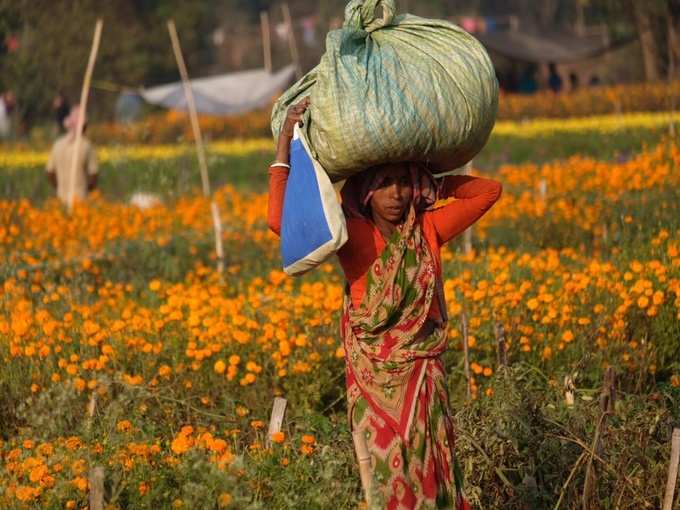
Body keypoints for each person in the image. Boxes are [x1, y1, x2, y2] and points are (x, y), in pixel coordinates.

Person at [268, 98, 502, 509]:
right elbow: (280, 221)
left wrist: (436, 183)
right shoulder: (351, 237)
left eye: (404, 182)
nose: (396, 194)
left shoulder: (428, 229)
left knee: (434, 477)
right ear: (366, 191)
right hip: (372, 382)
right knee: (384, 480)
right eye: (386, 183)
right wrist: (285, 143)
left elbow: (488, 193)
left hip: (423, 380)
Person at [46, 104, 98, 205]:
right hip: (81, 202)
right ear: (85, 125)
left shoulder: (57, 145)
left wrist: (59, 187)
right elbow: (94, 175)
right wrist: (87, 189)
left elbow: (49, 172)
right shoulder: (87, 146)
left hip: (61, 199)